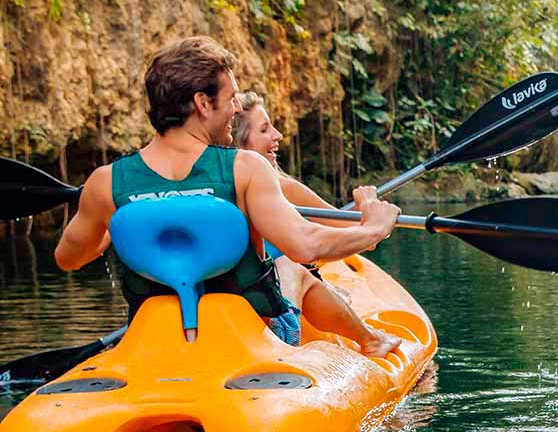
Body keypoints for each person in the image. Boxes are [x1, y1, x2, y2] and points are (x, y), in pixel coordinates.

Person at [54, 37, 400, 349]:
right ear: (203, 103)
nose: (236, 109)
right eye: (231, 97)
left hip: (160, 343)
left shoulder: (106, 182)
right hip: (249, 340)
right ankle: (371, 342)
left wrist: (109, 225)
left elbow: (69, 259)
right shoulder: (244, 169)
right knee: (294, 269)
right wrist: (373, 228)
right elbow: (305, 245)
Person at [231, 92, 398, 358]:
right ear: (240, 144)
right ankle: (370, 339)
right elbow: (367, 239)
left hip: (246, 304)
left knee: (292, 266)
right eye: (264, 129)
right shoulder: (284, 187)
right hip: (267, 305)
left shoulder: (216, 189)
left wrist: (362, 214)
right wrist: (369, 210)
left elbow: (348, 233)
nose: (277, 135)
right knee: (289, 265)